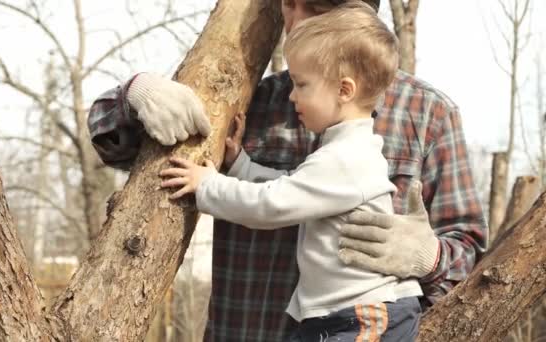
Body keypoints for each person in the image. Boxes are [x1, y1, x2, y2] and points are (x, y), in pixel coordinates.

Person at [87, 0, 488, 340]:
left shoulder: (429, 116)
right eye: (287, 3)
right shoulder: (245, 100)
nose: (293, 22)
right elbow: (128, 152)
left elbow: (470, 261)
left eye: (314, 7)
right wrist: (137, 96)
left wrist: (430, 258)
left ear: (361, 14)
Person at [158, 3, 423, 340]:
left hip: (362, 315)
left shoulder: (346, 159)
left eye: (302, 85)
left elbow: (272, 205)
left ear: (344, 90)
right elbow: (291, 188)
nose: (292, 95)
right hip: (339, 317)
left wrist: (207, 186)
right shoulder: (345, 152)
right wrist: (240, 166)